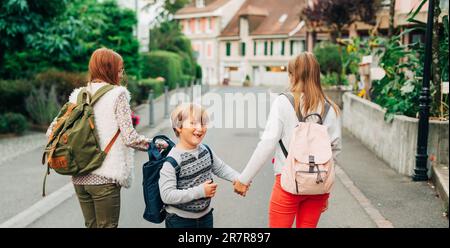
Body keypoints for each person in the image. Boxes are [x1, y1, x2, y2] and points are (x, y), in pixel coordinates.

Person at [45, 48, 159, 228]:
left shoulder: (78, 94)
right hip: (106, 176)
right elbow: (130, 138)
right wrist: (155, 145)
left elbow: (52, 131)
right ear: (109, 69)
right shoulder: (117, 94)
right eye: (120, 69)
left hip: (79, 177)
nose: (122, 74)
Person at [233, 52, 342, 228]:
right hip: (317, 185)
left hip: (287, 184)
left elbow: (267, 144)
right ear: (316, 75)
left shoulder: (283, 102)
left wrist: (244, 179)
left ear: (293, 75)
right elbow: (334, 152)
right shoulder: (331, 108)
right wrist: (325, 191)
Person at [159, 103, 240, 228]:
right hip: (180, 220)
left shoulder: (205, 150)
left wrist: (239, 178)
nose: (200, 128)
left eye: (203, 123)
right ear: (179, 127)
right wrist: (200, 191)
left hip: (206, 217)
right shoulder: (172, 161)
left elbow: (221, 168)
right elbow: (167, 195)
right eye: (193, 123)